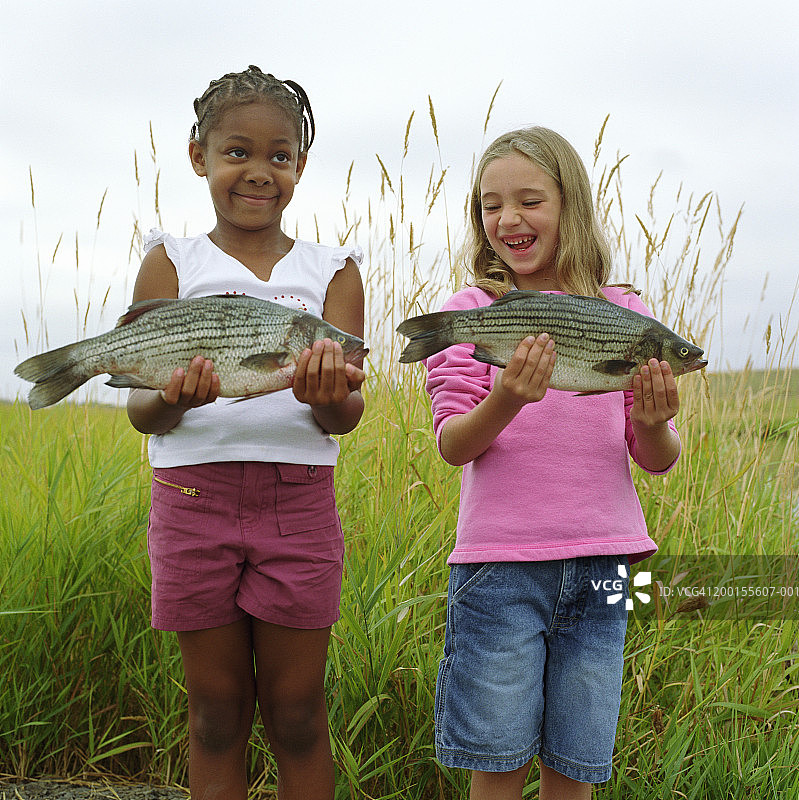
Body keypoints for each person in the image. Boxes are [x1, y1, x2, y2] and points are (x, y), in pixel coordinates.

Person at [126, 66, 365, 800]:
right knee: (214, 716)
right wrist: (173, 398)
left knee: (296, 714)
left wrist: (329, 395)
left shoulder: (334, 272)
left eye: (279, 156)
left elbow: (345, 414)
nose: (258, 172)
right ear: (199, 155)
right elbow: (142, 411)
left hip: (298, 502)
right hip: (191, 496)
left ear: (298, 165)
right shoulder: (171, 259)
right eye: (237, 153)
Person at [424, 127, 683, 800]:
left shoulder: (626, 313)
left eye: (528, 200)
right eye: (490, 205)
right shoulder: (471, 312)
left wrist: (653, 422)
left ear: (570, 205)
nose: (507, 219)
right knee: (498, 760)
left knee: (577, 763)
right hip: (498, 570)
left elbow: (656, 458)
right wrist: (507, 397)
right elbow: (454, 444)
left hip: (607, 565)